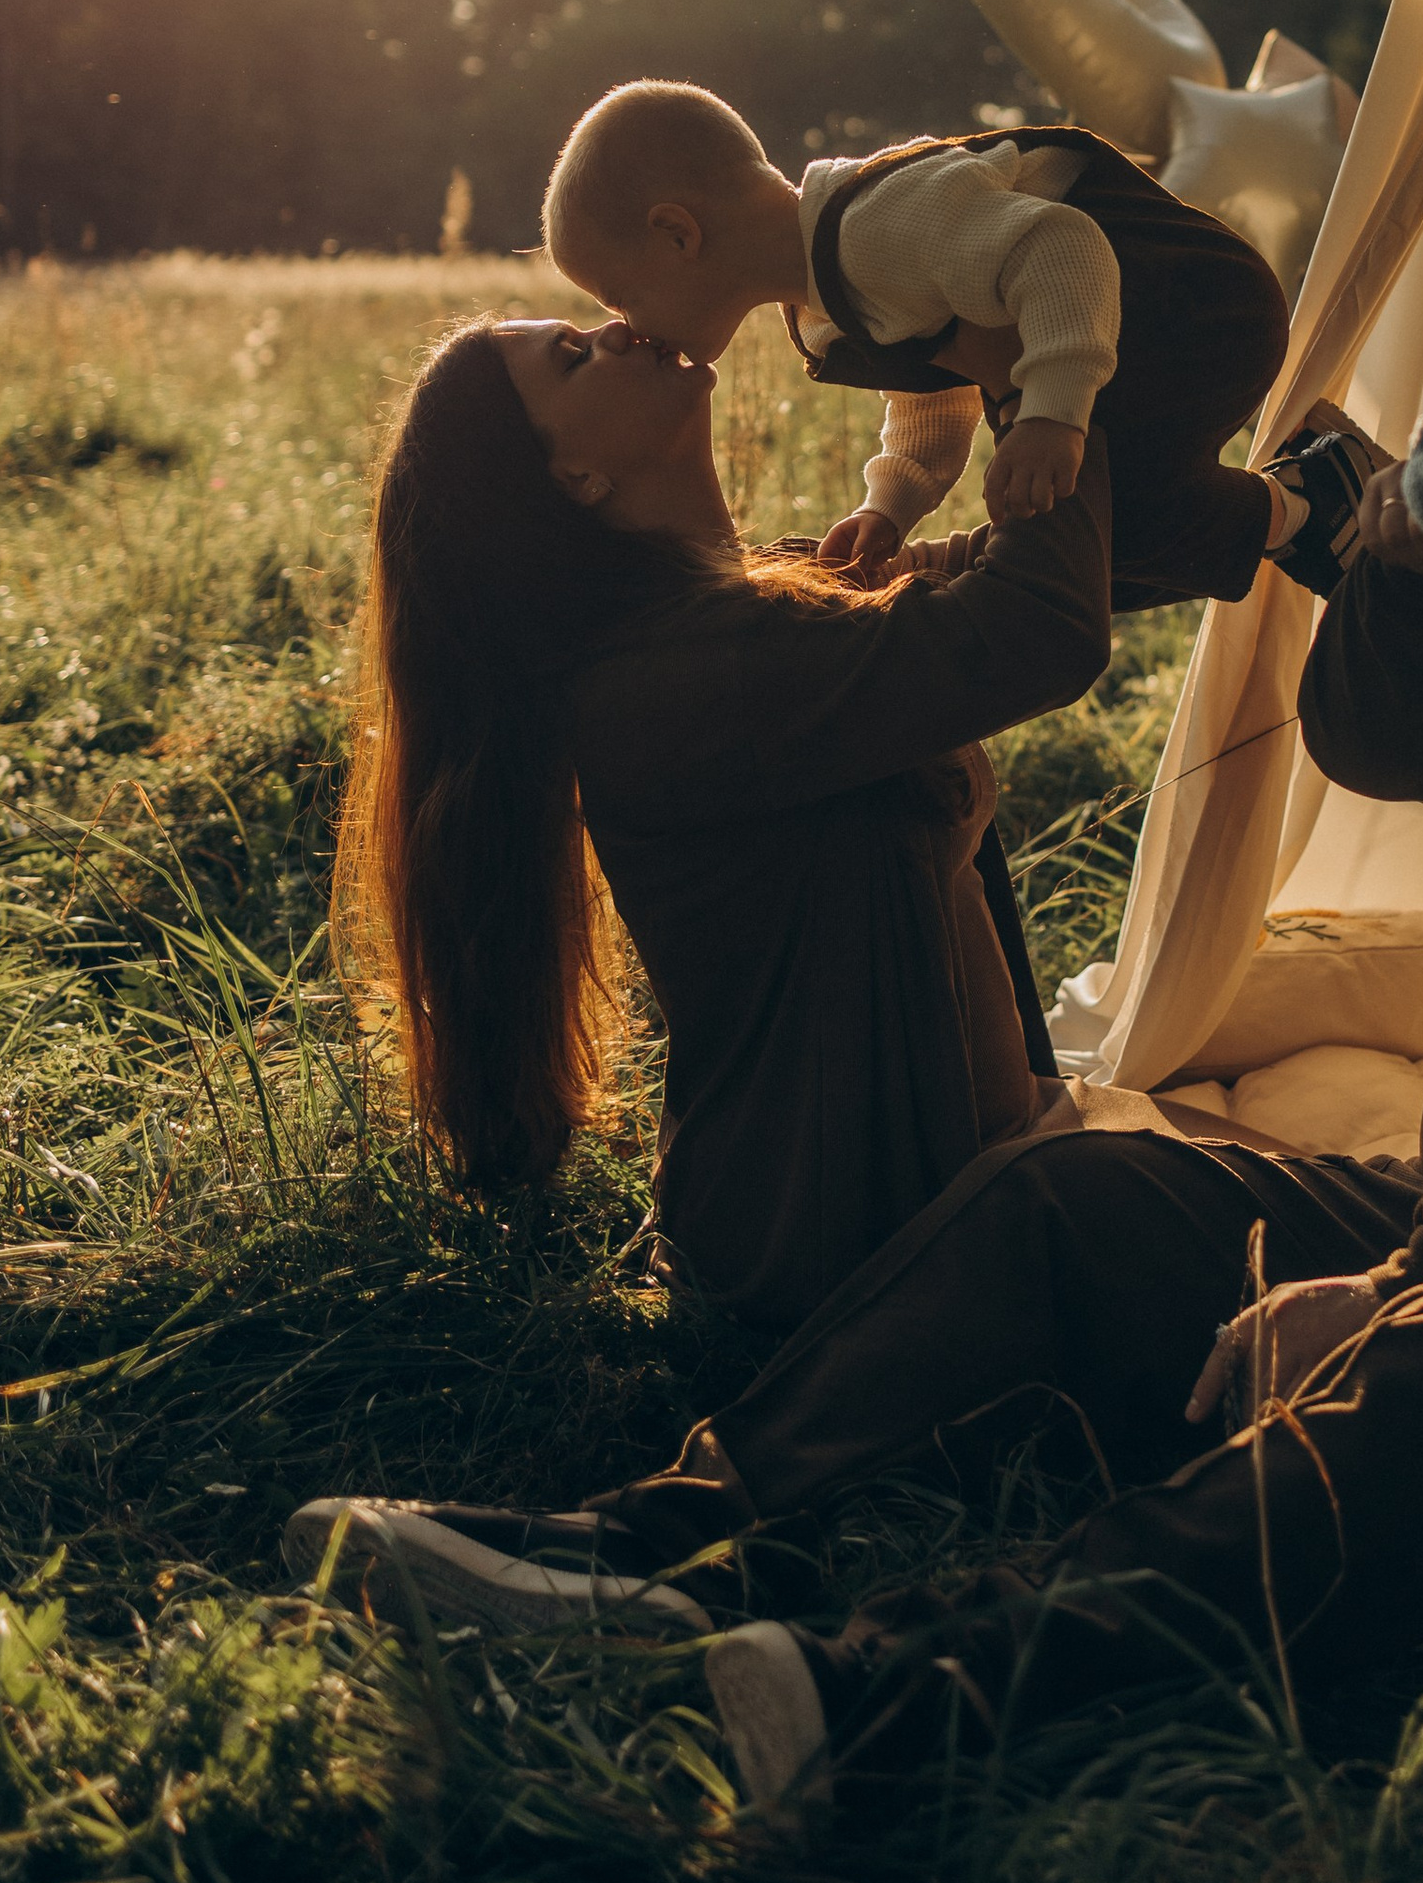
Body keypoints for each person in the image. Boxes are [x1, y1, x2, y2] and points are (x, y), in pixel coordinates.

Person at [290, 245, 1423, 1791]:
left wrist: (1405, 1289)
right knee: (1087, 1191)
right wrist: (1411, 581)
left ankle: (873, 1691)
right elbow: (1390, 744)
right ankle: (653, 1550)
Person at [331, 308, 1116, 1378]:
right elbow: (1035, 630)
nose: (614, 326)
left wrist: (1260, 513)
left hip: (973, 1180)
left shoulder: (754, 605)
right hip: (851, 1259)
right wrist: (1045, 375)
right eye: (570, 357)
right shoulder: (681, 684)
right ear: (572, 480)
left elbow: (1032, 576)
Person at [539, 77, 1379, 609]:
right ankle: (1304, 512)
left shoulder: (876, 224)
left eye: (620, 295)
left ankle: (1308, 500)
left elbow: (1062, 248)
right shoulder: (823, 303)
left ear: (678, 233)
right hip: (1132, 342)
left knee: (1108, 521)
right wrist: (892, 502)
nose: (624, 324)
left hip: (1192, 307)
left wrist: (1047, 413)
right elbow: (932, 384)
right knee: (1082, 553)